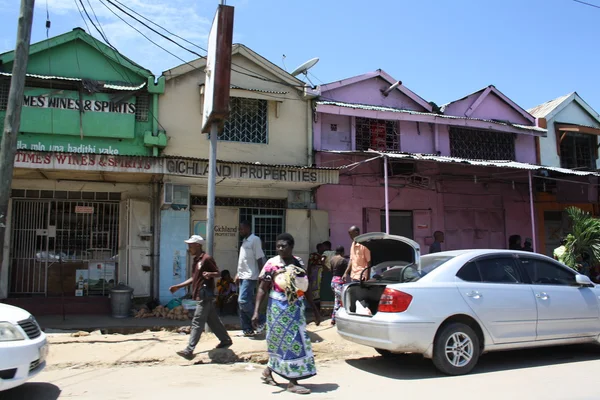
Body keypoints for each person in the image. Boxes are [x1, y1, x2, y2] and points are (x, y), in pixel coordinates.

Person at [252, 233, 321, 395]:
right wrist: (256, 311)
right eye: (278, 246)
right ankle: (292, 382)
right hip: (277, 309)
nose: (280, 248)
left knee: (292, 341)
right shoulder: (271, 264)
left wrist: (316, 311)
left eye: (284, 246)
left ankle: (268, 371)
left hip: (296, 309)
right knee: (285, 342)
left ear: (291, 247)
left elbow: (306, 287)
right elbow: (262, 288)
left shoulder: (298, 263)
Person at [169, 235, 232, 360]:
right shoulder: (196, 261)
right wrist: (178, 286)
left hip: (205, 295)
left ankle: (189, 349)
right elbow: (194, 278)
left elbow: (219, 273)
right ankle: (225, 340)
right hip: (200, 294)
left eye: (191, 245)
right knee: (212, 320)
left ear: (197, 245)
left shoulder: (206, 259)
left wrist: (210, 274)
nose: (189, 247)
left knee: (197, 322)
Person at [236, 221, 266, 336]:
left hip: (250, 276)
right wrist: (238, 274)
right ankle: (247, 329)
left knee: (243, 301)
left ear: (248, 228)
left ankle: (262, 320)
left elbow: (259, 258)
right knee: (242, 303)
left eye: (242, 229)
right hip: (243, 275)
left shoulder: (255, 240)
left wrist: (262, 275)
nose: (240, 231)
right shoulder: (244, 241)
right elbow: (243, 260)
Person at [330, 246, 348, 326]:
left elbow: (331, 270)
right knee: (339, 302)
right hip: (339, 282)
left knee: (337, 300)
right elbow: (347, 271)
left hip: (333, 281)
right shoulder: (343, 260)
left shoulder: (332, 259)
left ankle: (334, 319)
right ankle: (335, 319)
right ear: (342, 252)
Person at [308, 243, 325, 310]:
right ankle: (315, 306)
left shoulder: (324, 255)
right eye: (322, 247)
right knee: (315, 288)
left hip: (322, 273)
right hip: (315, 273)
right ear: (318, 248)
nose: (323, 249)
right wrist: (308, 273)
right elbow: (309, 264)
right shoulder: (313, 255)